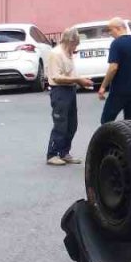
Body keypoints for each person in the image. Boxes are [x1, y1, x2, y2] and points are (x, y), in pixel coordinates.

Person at [45, 29, 95, 166]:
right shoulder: (56, 54)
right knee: (60, 123)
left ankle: (64, 152)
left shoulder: (68, 53)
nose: (76, 47)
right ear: (70, 41)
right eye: (76, 44)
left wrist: (80, 81)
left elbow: (70, 73)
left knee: (72, 124)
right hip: (59, 91)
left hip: (70, 89)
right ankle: (52, 154)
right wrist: (78, 80)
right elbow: (56, 77)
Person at [98, 17, 131, 124]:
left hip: (119, 90)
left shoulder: (116, 44)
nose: (110, 33)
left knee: (106, 121)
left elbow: (113, 67)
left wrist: (103, 86)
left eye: (110, 30)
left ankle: (109, 141)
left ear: (117, 28)